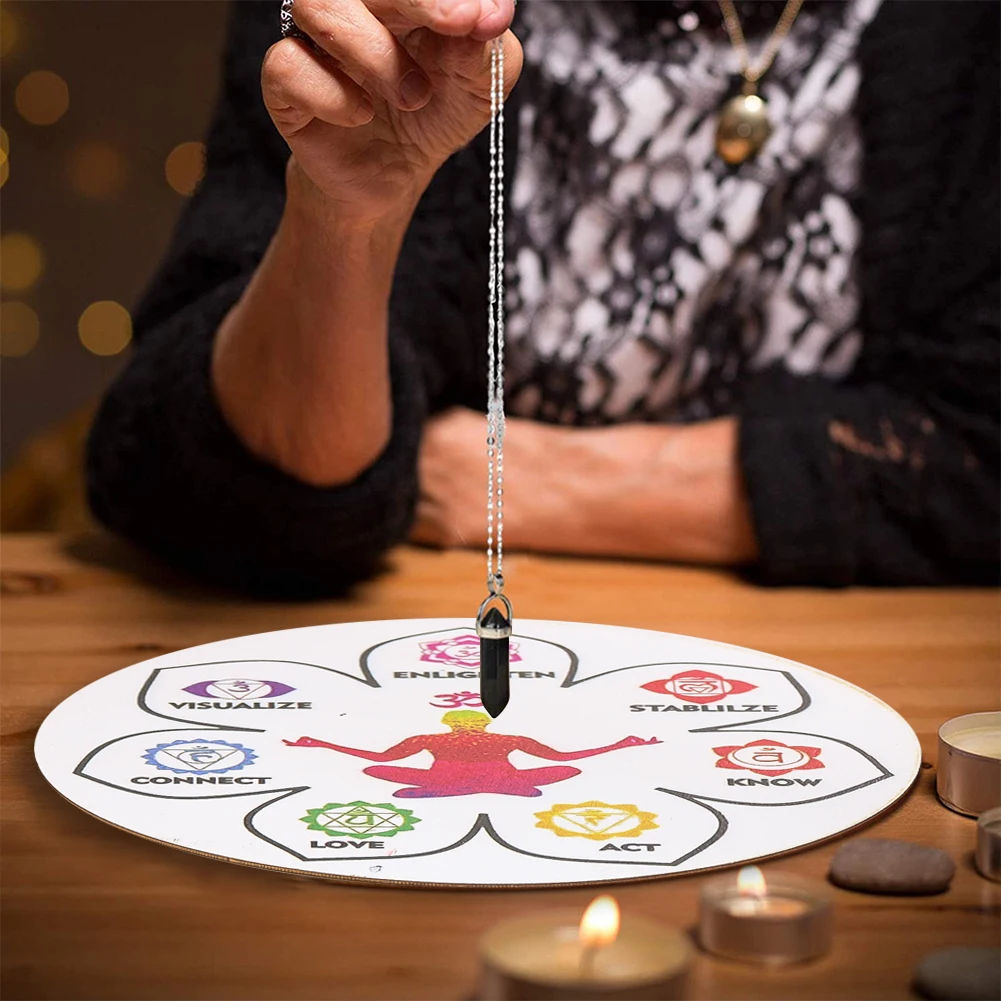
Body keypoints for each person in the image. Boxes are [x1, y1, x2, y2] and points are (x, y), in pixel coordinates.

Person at [86, 0, 1000, 596]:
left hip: (849, 680)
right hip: (408, 653)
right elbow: (187, 484)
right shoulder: (386, 11)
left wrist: (514, 481)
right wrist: (344, 217)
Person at [284, 709, 661, 797]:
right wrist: (620, 745)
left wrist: (322, 743)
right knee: (565, 775)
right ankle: (502, 784)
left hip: (440, 782)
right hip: (510, 782)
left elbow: (380, 761)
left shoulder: (430, 738)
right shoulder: (508, 738)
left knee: (380, 776)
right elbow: (563, 761)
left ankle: (442, 787)